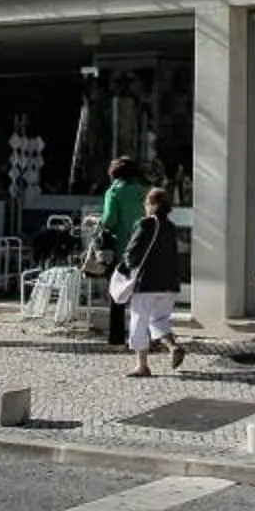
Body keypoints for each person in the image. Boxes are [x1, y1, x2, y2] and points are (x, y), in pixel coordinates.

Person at [120, 185, 185, 376]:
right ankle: (173, 347)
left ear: (151, 204)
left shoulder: (145, 224)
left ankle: (142, 365)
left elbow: (132, 254)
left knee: (139, 321)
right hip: (169, 284)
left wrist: (125, 265)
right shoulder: (171, 227)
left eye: (146, 202)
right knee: (160, 320)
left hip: (147, 282)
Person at [95, 156, 149, 347]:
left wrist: (96, 221)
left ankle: (116, 337)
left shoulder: (114, 192)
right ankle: (143, 336)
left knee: (117, 293)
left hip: (119, 250)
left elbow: (110, 220)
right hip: (141, 249)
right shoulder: (143, 192)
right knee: (140, 296)